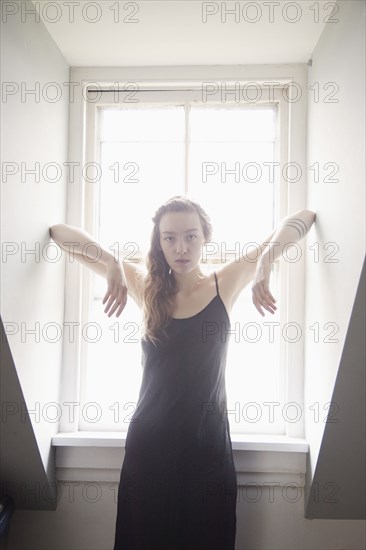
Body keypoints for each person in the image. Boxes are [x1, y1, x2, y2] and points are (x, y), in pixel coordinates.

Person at [50, 195, 316, 550]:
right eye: (169, 238)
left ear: (205, 237)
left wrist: (266, 261)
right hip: (150, 451)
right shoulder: (146, 286)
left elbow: (305, 216)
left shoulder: (226, 283)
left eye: (191, 236)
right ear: (158, 244)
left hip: (208, 452)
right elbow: (58, 232)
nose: (181, 247)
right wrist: (111, 261)